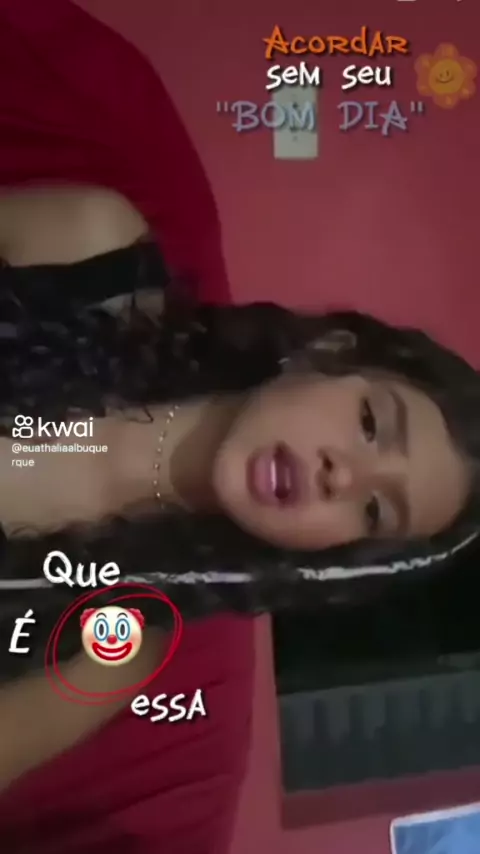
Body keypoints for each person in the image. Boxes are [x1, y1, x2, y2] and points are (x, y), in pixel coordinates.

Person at [0, 0, 478, 850]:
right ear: (328, 352)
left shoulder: (115, 645)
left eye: (374, 512)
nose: (342, 475)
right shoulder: (90, 252)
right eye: (372, 424)